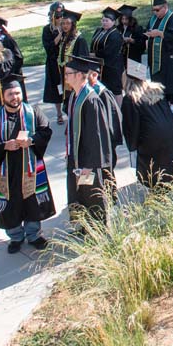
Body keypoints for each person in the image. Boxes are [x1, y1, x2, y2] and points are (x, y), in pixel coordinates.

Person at [0, 77, 54, 254]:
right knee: (11, 202)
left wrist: (31, 141)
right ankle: (15, 236)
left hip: (31, 167)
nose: (15, 97)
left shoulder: (33, 112)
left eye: (17, 93)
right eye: (10, 94)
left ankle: (34, 234)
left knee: (32, 201)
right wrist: (4, 146)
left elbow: (46, 131)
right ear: (3, 96)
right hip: (8, 169)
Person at [62, 56, 120, 223]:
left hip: (88, 162)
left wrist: (89, 165)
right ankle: (83, 225)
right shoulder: (74, 96)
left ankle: (98, 229)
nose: (65, 77)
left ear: (80, 75)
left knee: (91, 194)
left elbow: (97, 135)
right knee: (77, 192)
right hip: (76, 157)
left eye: (68, 74)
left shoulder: (91, 100)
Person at [121, 71, 173, 188]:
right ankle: (164, 189)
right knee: (166, 162)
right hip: (171, 128)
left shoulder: (131, 98)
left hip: (152, 136)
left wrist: (133, 145)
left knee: (152, 169)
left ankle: (157, 194)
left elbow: (132, 126)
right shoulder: (156, 89)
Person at [44, 8, 87, 124]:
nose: (64, 26)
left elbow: (83, 60)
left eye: (67, 23)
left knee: (74, 100)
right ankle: (72, 123)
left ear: (73, 24)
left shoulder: (79, 40)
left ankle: (77, 124)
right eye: (62, 23)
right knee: (67, 101)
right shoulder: (64, 38)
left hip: (75, 77)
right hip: (65, 75)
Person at [144, 0, 173, 106]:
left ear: (165, 7)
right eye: (153, 10)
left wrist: (160, 33)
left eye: (157, 10)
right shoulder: (153, 19)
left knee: (169, 85)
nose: (155, 13)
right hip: (155, 60)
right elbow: (148, 30)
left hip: (168, 59)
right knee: (157, 84)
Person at [90, 7, 126, 104]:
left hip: (112, 67)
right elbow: (93, 43)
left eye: (107, 20)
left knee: (116, 90)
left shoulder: (115, 34)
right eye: (103, 20)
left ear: (114, 22)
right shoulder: (99, 30)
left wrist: (95, 54)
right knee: (101, 89)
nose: (104, 22)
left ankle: (119, 111)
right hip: (100, 66)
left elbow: (109, 52)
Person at [117, 5, 145, 70]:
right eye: (122, 19)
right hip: (121, 58)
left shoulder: (137, 28)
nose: (124, 21)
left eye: (126, 19)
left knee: (135, 77)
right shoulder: (118, 28)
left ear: (130, 19)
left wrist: (132, 40)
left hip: (133, 57)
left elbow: (142, 44)